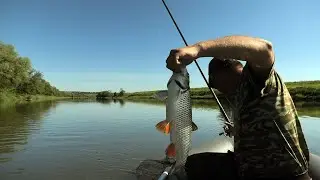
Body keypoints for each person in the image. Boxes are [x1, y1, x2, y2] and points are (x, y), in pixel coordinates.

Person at [165, 35, 311, 180]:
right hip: (247, 170)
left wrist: (198, 49)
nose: (214, 88)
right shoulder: (238, 94)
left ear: (224, 70)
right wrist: (238, 129)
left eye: (212, 82)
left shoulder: (259, 79)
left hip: (285, 174)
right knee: (192, 164)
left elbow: (266, 49)